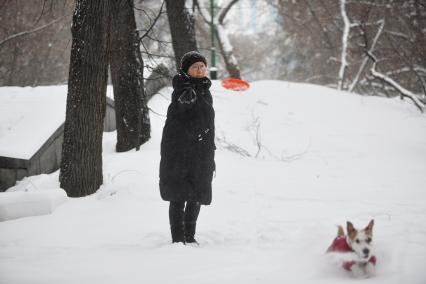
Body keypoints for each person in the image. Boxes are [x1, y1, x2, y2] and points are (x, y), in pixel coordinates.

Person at [159, 51, 216, 244]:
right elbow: (183, 109)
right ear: (186, 70)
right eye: (195, 67)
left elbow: (207, 122)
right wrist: (187, 94)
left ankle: (189, 237)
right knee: (178, 195)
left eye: (202, 66)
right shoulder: (183, 88)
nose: (200, 70)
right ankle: (177, 239)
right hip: (180, 152)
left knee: (197, 194)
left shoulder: (204, 90)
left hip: (201, 152)